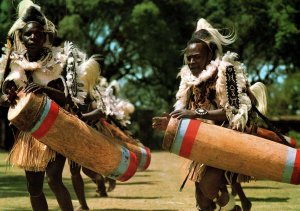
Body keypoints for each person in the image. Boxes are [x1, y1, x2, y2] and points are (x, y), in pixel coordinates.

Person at [153, 18, 268, 210]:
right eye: (189, 57)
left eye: (196, 57)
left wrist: (195, 112)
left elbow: (232, 113)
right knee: (203, 202)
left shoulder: (228, 71)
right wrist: (169, 121)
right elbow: (182, 107)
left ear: (210, 55)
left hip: (228, 140)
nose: (191, 61)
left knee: (208, 187)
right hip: (202, 142)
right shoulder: (188, 79)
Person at [0, 1, 101, 210]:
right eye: (28, 34)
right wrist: (8, 98)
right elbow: (1, 98)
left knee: (54, 179)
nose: (33, 37)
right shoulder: (12, 64)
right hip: (29, 134)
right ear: (21, 37)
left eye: (38, 34)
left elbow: (68, 99)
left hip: (58, 127)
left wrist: (43, 89)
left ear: (45, 37)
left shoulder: (58, 62)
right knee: (34, 189)